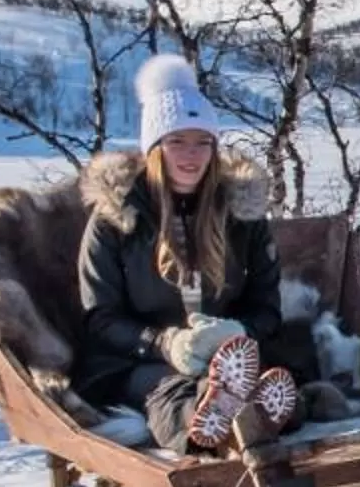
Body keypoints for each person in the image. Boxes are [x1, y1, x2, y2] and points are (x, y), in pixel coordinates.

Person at [72, 55, 302, 453]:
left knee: (269, 384)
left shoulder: (240, 215)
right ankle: (223, 424)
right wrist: (164, 342)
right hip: (140, 363)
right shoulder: (116, 218)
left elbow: (266, 306)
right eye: (177, 141)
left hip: (229, 359)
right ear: (155, 148)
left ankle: (250, 413)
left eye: (202, 142)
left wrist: (238, 332)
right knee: (176, 397)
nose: (191, 155)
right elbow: (100, 318)